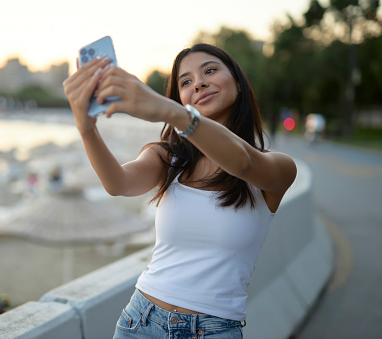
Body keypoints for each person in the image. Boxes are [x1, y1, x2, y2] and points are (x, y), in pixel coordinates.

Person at [63, 43, 297, 339]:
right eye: (186, 82)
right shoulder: (168, 158)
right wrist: (87, 128)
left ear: (238, 82)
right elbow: (117, 183)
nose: (198, 83)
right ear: (182, 98)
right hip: (141, 321)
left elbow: (241, 161)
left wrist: (172, 112)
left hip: (214, 330)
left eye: (210, 70)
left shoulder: (277, 167)